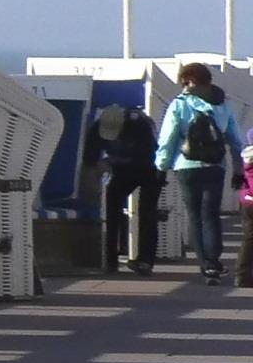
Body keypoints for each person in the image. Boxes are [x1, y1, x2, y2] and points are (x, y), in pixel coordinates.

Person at [154, 64, 244, 283]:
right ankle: (214, 260)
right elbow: (235, 140)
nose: (184, 87)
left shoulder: (179, 104)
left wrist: (161, 166)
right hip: (215, 166)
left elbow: (167, 139)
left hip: (186, 166)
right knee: (211, 214)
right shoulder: (223, 105)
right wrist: (238, 169)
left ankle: (206, 265)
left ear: (192, 81)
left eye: (185, 83)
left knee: (194, 216)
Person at [101, 105, 160, 276]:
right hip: (150, 169)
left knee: (112, 212)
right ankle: (145, 261)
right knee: (148, 214)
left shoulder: (110, 124)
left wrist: (109, 162)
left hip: (123, 171)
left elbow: (108, 149)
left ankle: (111, 259)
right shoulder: (146, 123)